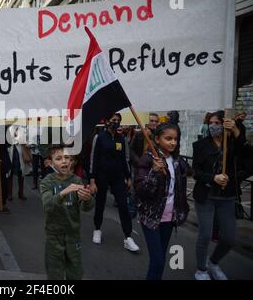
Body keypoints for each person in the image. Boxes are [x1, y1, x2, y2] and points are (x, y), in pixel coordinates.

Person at [192, 111, 247, 280]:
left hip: (227, 197)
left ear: (225, 123)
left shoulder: (232, 144)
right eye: (211, 122)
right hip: (206, 196)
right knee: (205, 235)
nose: (213, 125)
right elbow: (195, 172)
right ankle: (201, 269)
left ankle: (213, 262)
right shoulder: (200, 145)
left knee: (229, 238)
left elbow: (244, 148)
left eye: (217, 122)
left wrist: (236, 129)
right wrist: (213, 177)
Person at [134, 123, 189, 280]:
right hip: (151, 217)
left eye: (175, 139)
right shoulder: (147, 160)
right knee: (157, 260)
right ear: (157, 139)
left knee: (161, 259)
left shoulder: (178, 161)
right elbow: (141, 190)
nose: (173, 142)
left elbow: (191, 174)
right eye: (168, 138)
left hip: (169, 218)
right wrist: (153, 172)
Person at [40, 145, 94, 280]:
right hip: (54, 235)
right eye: (58, 158)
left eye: (67, 158)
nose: (64, 161)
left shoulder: (77, 180)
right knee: (54, 273)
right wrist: (64, 192)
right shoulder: (47, 182)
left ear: (72, 161)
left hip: (73, 235)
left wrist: (87, 199)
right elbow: (47, 205)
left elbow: (87, 207)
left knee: (75, 272)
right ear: (51, 162)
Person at [89, 113, 139, 251]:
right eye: (113, 120)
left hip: (118, 177)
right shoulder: (99, 138)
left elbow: (125, 159)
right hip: (101, 176)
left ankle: (128, 237)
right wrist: (92, 180)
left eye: (117, 120)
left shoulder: (121, 139)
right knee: (100, 204)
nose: (115, 122)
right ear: (106, 121)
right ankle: (97, 229)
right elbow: (94, 159)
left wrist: (128, 177)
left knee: (123, 205)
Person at [8, 125, 28, 201]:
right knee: (10, 173)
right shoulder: (9, 128)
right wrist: (16, 139)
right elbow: (9, 140)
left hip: (19, 152)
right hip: (11, 151)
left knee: (21, 174)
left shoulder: (22, 128)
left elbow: (23, 139)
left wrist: (17, 139)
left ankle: (21, 193)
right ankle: (10, 194)